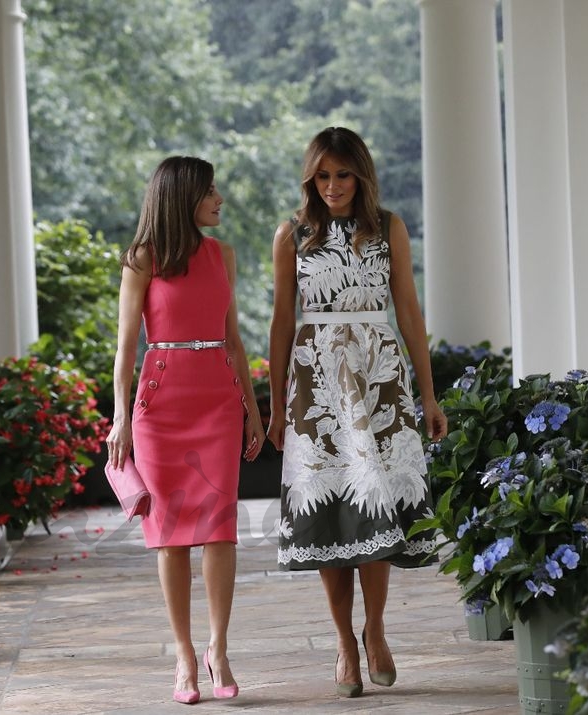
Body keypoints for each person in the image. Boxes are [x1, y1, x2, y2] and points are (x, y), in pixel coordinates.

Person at [266, 127, 447, 697]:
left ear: (361, 175)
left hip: (379, 378)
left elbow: (409, 310)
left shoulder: (388, 227)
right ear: (310, 177)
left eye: (343, 175)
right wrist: (275, 404)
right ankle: (344, 641)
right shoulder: (290, 235)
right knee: (331, 510)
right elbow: (280, 321)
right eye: (323, 176)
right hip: (315, 385)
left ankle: (376, 629)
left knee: (378, 504)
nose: (333, 186)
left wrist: (429, 391)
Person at [107, 156, 265, 704]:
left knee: (220, 528)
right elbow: (127, 347)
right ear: (183, 196)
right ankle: (182, 655)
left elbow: (234, 340)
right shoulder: (142, 258)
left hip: (217, 402)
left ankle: (218, 649)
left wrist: (253, 406)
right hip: (161, 405)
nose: (220, 199)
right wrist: (120, 417)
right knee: (170, 536)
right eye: (211, 191)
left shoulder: (222, 255)